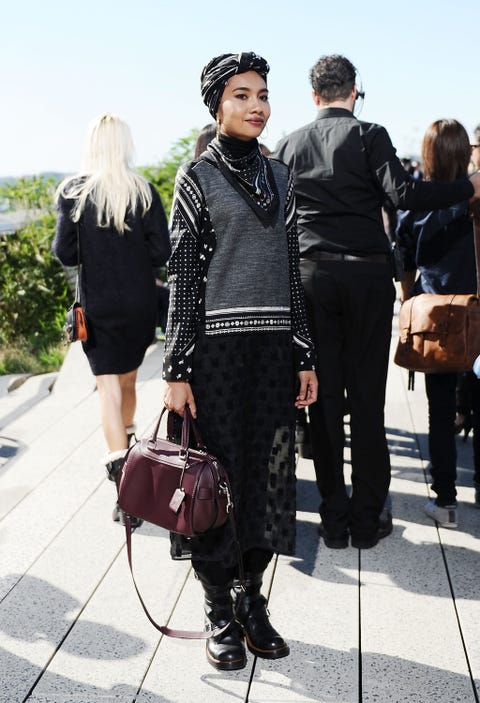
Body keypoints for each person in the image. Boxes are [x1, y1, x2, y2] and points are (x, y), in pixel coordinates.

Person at [272, 54, 480, 550]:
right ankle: (366, 520)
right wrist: (467, 186)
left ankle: (333, 519)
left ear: (315, 95)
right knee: (366, 400)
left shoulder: (287, 144)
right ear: (354, 91)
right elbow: (404, 194)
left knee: (321, 398)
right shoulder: (370, 136)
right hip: (365, 276)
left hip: (311, 276)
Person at [163, 52, 317, 671]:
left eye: (262, 95)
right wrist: (176, 369)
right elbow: (184, 282)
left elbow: (292, 271)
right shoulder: (195, 179)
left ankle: (252, 601)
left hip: (272, 352)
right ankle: (218, 610)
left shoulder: (281, 178)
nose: (256, 106)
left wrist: (303, 355)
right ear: (217, 105)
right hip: (216, 360)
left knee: (267, 480)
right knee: (212, 487)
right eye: (241, 96)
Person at [53, 113, 171, 525]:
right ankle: (131, 456)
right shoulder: (143, 192)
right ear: (124, 145)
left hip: (99, 306)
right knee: (127, 382)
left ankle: (126, 489)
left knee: (108, 390)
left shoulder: (73, 194)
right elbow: (161, 253)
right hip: (139, 305)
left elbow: (65, 253)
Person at [397, 119, 480, 524]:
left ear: (428, 154)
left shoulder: (415, 204)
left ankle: (445, 500)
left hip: (437, 320)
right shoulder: (474, 199)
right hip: (478, 314)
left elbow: (405, 266)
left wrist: (407, 300)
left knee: (440, 410)